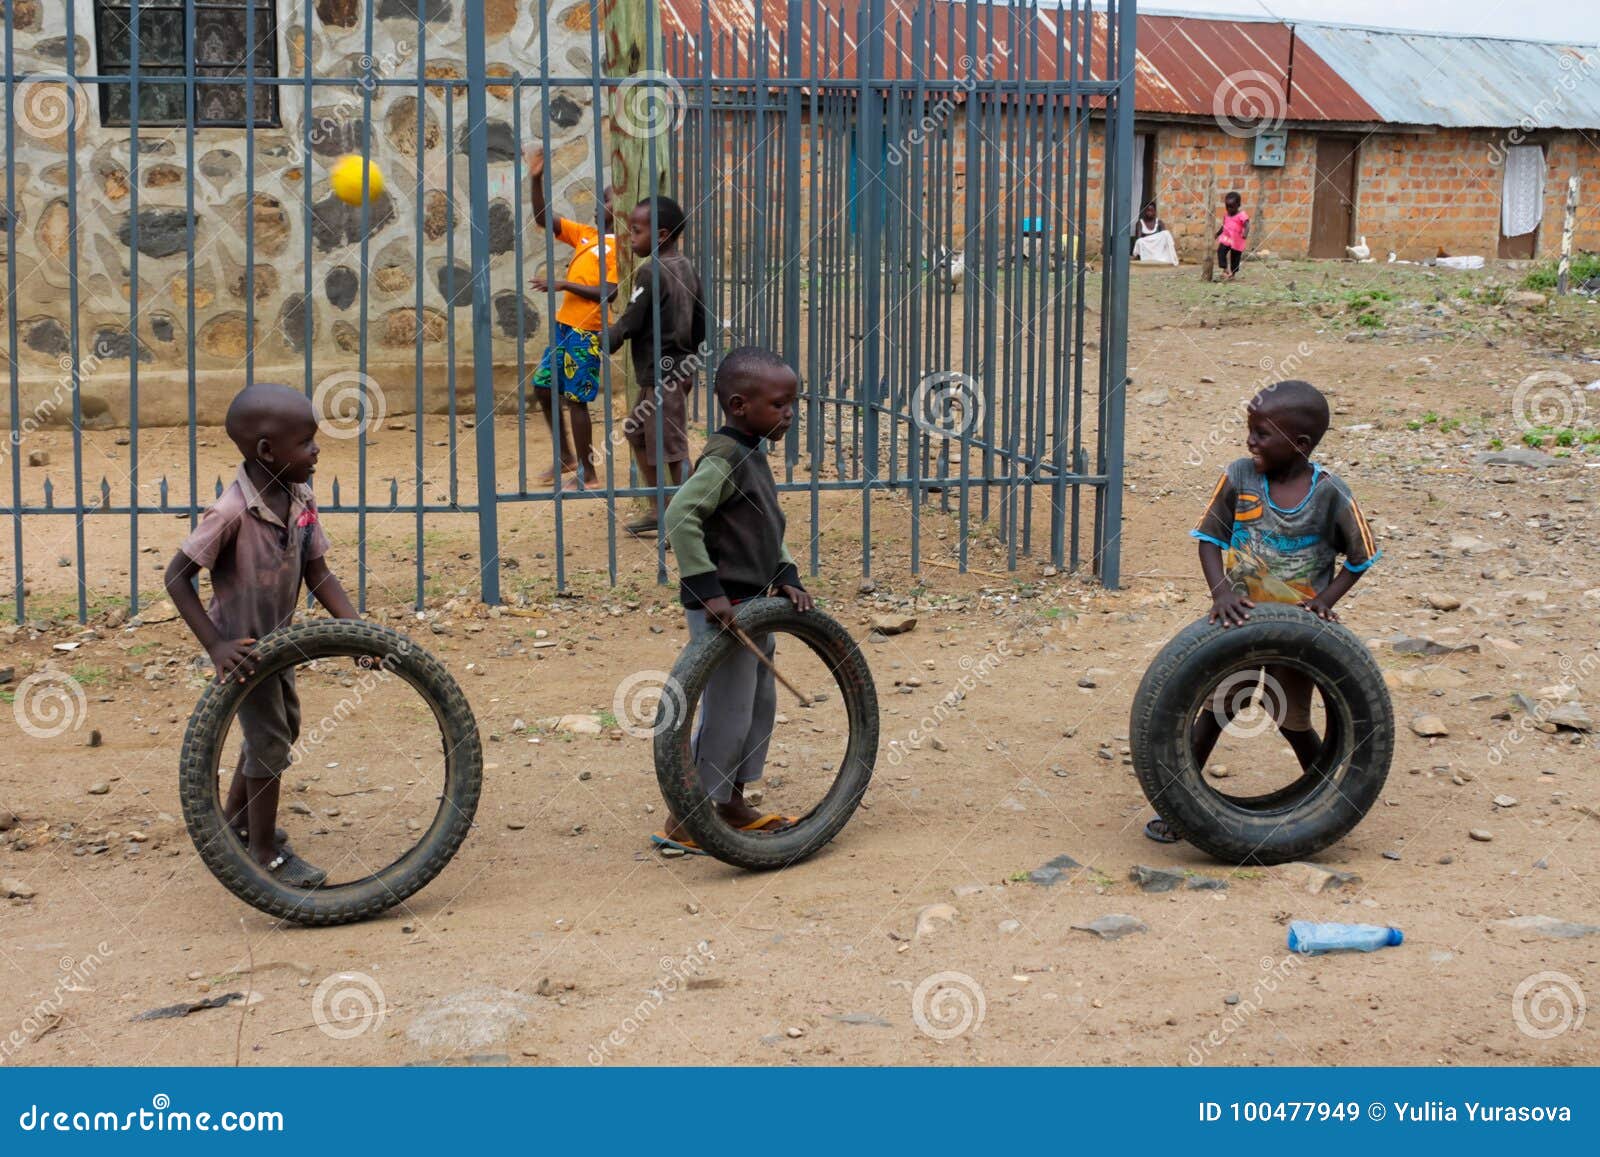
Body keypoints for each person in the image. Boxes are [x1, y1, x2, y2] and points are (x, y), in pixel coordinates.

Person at [1144, 379, 1380, 844]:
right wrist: (1221, 594)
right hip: (1239, 622)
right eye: (1249, 430)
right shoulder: (1239, 477)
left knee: (1292, 719)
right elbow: (1210, 540)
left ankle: (1329, 805)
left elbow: (1361, 558)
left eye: (1262, 434)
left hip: (1300, 636)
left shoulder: (1332, 493)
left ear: (1300, 444)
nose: (1250, 440)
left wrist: (1323, 603)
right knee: (1217, 708)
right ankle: (1180, 807)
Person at [163, 383, 366, 887]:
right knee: (270, 742)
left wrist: (357, 631)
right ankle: (262, 850)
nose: (317, 450)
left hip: (281, 646)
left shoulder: (300, 496)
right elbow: (176, 576)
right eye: (306, 442)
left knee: (280, 731)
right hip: (245, 653)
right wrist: (216, 644)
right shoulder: (229, 512)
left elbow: (317, 571)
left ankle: (234, 819)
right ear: (267, 451)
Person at [651, 347, 812, 854]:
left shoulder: (751, 452)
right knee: (727, 711)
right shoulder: (725, 456)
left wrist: (785, 572)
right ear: (741, 405)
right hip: (723, 608)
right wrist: (708, 590)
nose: (789, 415)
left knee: (758, 705)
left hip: (755, 601)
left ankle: (732, 803)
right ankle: (686, 818)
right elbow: (680, 517)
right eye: (780, 405)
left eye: (792, 404)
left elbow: (764, 527)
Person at [603, 195, 707, 536]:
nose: (630, 238)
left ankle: (690, 520)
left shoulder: (650, 271)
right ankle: (660, 508)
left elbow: (631, 321)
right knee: (636, 431)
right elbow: (701, 318)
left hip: (663, 374)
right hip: (677, 368)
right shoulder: (688, 266)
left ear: (661, 235)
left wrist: (605, 339)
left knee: (673, 449)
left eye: (635, 231)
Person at [526, 148, 619, 489]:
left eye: (606, 201)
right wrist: (536, 180)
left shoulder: (619, 247)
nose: (598, 205)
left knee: (576, 399)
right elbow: (543, 218)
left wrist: (564, 283)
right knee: (544, 386)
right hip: (566, 326)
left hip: (587, 330)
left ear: (620, 209)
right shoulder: (586, 236)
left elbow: (610, 292)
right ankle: (566, 457)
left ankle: (588, 473)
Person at [1215, 190, 1249, 280]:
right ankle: (1225, 269)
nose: (1229, 209)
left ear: (1238, 205)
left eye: (1232, 207)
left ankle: (1233, 274)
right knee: (1220, 251)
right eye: (1227, 207)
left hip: (1237, 239)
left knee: (1235, 256)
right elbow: (1224, 226)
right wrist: (1218, 233)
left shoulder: (1242, 215)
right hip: (1226, 238)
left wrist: (1245, 233)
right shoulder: (1226, 215)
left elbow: (1247, 224)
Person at [1132, 201, 1178, 265]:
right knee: (1140, 241)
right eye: (1147, 210)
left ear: (1155, 212)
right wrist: (1151, 238)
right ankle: (1147, 256)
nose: (1149, 212)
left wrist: (1154, 238)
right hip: (1147, 246)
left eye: (1151, 210)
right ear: (1144, 211)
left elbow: (1163, 237)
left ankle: (1165, 255)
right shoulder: (1140, 223)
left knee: (1166, 233)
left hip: (1157, 247)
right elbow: (1138, 239)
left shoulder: (1159, 222)